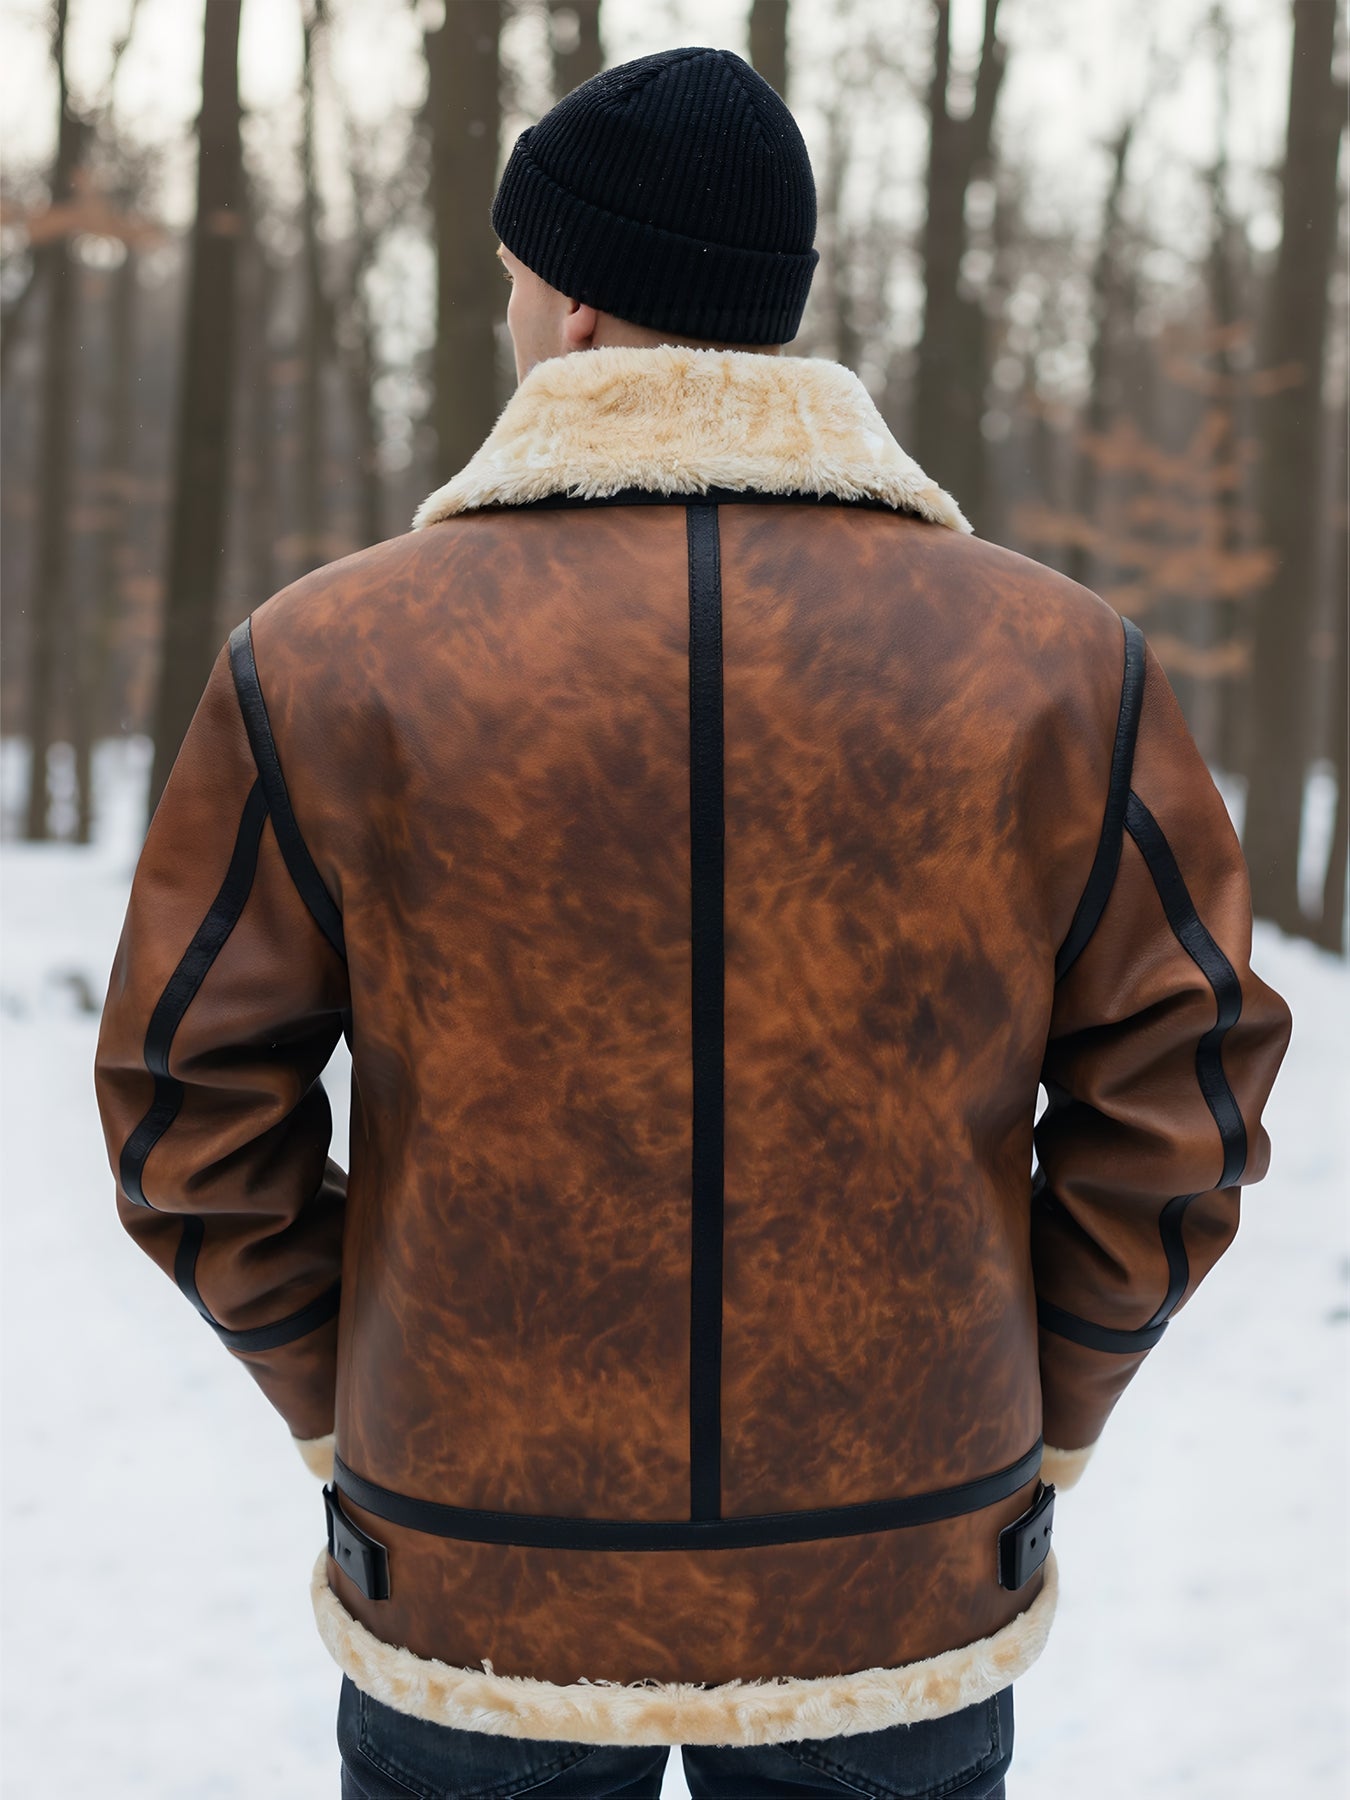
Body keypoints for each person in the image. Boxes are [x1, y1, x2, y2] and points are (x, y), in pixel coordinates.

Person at [93, 44, 1293, 1800]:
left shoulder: (327, 655)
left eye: (512, 279)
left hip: (472, 1564)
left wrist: (350, 1399)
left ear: (575, 306)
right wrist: (1040, 1406)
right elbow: (1182, 1100)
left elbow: (187, 1108)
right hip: (900, 1562)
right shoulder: (1051, 661)